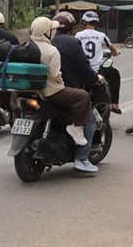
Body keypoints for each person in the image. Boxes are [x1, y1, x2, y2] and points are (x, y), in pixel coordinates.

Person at [29, 16, 98, 173]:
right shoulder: (58, 47)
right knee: (86, 104)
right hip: (53, 91)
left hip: (32, 91)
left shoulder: (28, 45)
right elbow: (59, 73)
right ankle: (82, 157)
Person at [75, 11, 122, 114]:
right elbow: (112, 49)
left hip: (81, 69)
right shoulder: (101, 35)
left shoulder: (78, 35)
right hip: (97, 70)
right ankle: (114, 104)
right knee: (115, 74)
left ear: (84, 22)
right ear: (96, 23)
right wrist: (116, 52)